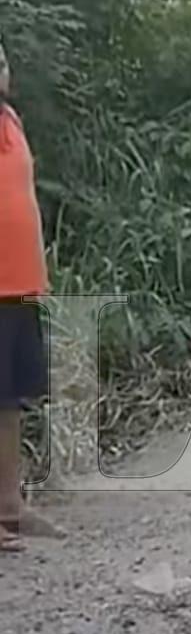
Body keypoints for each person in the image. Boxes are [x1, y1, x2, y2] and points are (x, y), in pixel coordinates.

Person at [0, 41, 63, 552]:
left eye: (1, 62)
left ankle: (11, 506)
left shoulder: (12, 120)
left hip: (20, 284)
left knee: (12, 401)